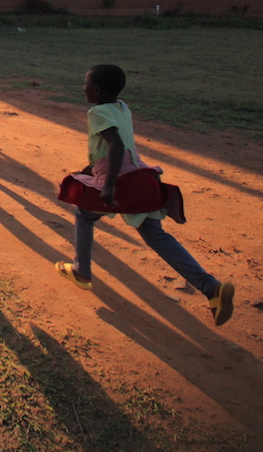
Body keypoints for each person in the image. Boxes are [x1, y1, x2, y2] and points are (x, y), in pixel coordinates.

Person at [54, 64, 236, 327]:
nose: (83, 88)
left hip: (120, 183)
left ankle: (82, 271)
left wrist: (109, 186)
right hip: (140, 177)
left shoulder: (97, 112)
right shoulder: (122, 108)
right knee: (156, 236)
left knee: (83, 213)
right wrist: (90, 169)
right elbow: (119, 149)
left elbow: (117, 147)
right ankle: (212, 289)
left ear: (96, 90)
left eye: (86, 83)